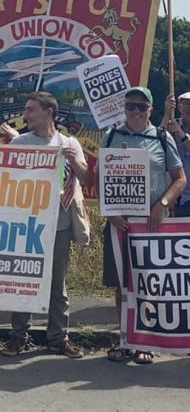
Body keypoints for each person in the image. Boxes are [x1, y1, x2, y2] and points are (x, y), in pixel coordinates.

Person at [98, 87, 186, 365]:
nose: (135, 112)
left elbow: (180, 178)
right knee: (122, 285)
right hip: (120, 221)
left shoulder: (162, 137)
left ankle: (145, 340)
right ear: (123, 108)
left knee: (150, 284)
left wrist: (162, 203)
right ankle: (125, 337)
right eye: (130, 107)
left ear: (150, 109)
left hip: (151, 222)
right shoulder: (111, 136)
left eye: (141, 107)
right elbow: (99, 178)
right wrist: (108, 211)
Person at [2, 92, 90, 359]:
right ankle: (18, 335)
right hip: (26, 226)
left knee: (57, 283)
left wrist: (74, 159)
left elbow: (86, 177)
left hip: (59, 225)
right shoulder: (20, 144)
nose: (25, 115)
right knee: (23, 277)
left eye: (30, 110)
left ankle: (57, 337)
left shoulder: (69, 142)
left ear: (48, 112)